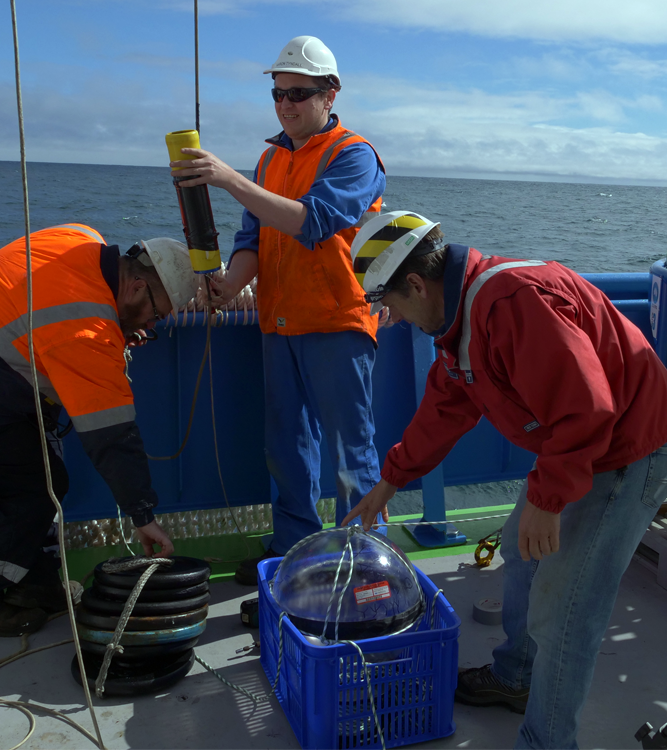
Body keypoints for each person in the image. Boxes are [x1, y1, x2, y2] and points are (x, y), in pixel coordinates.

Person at [340, 211, 667, 750]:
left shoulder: (511, 303)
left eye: (389, 304)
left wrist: (549, 501)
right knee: (520, 547)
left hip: (631, 445)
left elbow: (588, 409)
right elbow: (446, 406)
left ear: (415, 283)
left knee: (566, 608)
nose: (393, 317)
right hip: (581, 444)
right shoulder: (460, 319)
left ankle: (546, 741)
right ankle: (517, 676)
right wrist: (391, 480)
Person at [0, 224, 189, 637]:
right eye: (156, 315)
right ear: (137, 286)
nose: (150, 326)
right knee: (32, 495)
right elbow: (112, 438)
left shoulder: (81, 237)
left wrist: (119, 326)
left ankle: (37, 584)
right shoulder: (86, 327)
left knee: (34, 475)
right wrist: (142, 515)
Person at [168, 36, 386, 585]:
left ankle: (366, 563)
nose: (286, 104)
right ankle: (297, 548)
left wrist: (229, 180)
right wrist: (229, 286)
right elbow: (254, 237)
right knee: (286, 445)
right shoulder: (269, 159)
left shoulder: (354, 155)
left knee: (348, 452)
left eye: (299, 93)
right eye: (278, 94)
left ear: (330, 94)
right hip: (279, 324)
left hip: (337, 324)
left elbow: (313, 221)